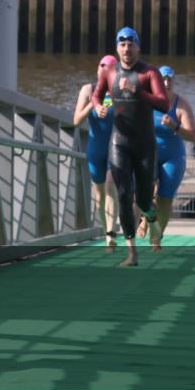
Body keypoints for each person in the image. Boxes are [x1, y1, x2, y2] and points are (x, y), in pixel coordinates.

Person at [92, 27, 169, 267]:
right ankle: (132, 253)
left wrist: (138, 91)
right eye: (122, 44)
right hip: (119, 142)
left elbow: (165, 104)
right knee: (124, 195)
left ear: (138, 47)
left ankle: (152, 220)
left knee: (143, 199)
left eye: (131, 44)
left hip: (145, 145)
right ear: (117, 48)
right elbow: (96, 95)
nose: (127, 49)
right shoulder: (108, 72)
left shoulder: (149, 73)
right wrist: (97, 107)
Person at [137, 66, 195, 243]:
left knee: (166, 197)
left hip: (173, 156)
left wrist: (175, 126)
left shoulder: (181, 104)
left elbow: (193, 136)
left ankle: (156, 237)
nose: (166, 83)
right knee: (145, 194)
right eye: (163, 79)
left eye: (170, 79)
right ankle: (145, 218)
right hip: (149, 153)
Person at [73, 55, 119, 251]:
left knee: (110, 186)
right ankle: (104, 228)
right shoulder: (88, 89)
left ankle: (110, 233)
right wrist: (94, 104)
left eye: (109, 67)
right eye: (101, 66)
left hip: (114, 146)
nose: (104, 69)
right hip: (95, 147)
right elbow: (76, 120)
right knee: (99, 196)